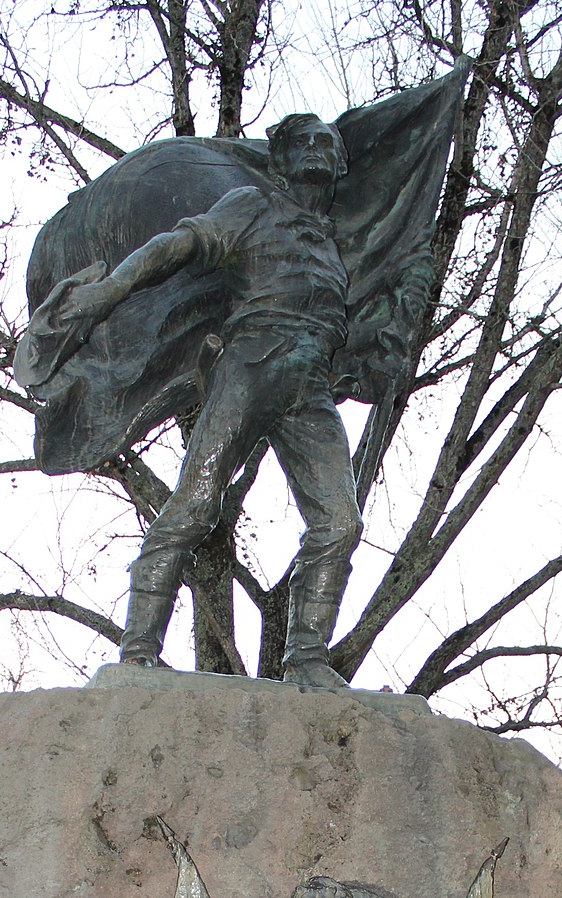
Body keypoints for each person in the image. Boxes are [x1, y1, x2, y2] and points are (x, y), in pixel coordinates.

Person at [58, 113, 363, 688]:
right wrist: (112, 289)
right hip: (252, 364)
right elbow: (181, 243)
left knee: (340, 522)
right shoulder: (251, 206)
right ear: (282, 159)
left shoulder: (331, 246)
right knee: (197, 503)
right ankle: (138, 647)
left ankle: (306, 659)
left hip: (310, 385)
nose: (318, 149)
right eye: (305, 142)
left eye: (328, 143)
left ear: (341, 163)